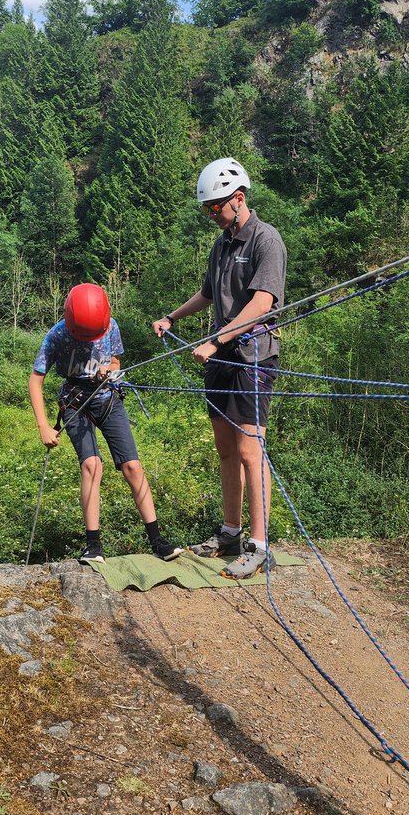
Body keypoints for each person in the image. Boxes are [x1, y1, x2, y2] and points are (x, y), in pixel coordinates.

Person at [152, 157, 287, 579]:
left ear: (239, 198)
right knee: (226, 448)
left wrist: (217, 340)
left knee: (250, 450)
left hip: (253, 356)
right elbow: (208, 293)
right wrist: (172, 317)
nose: (211, 215)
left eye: (216, 207)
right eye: (207, 209)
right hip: (220, 357)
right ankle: (230, 532)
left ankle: (259, 545)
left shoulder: (267, 241)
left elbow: (261, 303)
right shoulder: (222, 243)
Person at [30, 282, 181, 565]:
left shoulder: (110, 325)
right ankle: (93, 545)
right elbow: (36, 379)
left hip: (107, 398)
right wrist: (43, 426)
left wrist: (108, 369)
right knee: (92, 465)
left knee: (132, 466)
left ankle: (158, 541)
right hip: (74, 401)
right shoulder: (56, 336)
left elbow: (114, 361)